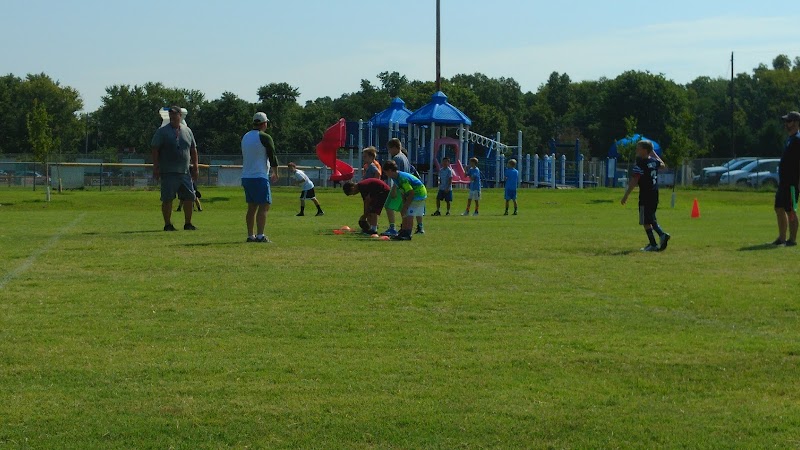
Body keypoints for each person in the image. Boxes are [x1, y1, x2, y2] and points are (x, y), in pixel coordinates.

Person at [151, 105, 199, 231]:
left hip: (185, 171)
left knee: (189, 198)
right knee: (168, 198)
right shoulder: (162, 131)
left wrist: (196, 166)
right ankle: (168, 224)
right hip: (168, 171)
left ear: (180, 116)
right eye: (170, 115)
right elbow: (155, 149)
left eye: (174, 114)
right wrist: (156, 167)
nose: (172, 117)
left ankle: (188, 223)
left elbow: (193, 149)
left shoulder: (187, 131)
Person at [621, 140, 671, 252]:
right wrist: (653, 152)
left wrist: (626, 195)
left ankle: (661, 235)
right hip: (654, 193)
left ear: (644, 150)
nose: (636, 150)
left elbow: (634, 181)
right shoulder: (653, 162)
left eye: (638, 148)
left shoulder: (640, 164)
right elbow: (662, 165)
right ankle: (653, 243)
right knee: (649, 218)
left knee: (646, 219)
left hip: (645, 195)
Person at [241, 112, 278, 243]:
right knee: (264, 205)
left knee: (251, 207)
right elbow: (272, 156)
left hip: (246, 176)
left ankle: (251, 235)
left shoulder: (245, 136)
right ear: (264, 123)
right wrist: (275, 172)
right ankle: (261, 235)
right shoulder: (265, 137)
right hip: (259, 176)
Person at [382, 160, 427, 241]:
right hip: (412, 194)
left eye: (386, 172)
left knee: (409, 213)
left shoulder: (402, 179)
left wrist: (406, 206)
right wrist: (403, 204)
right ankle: (404, 231)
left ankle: (408, 234)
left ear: (390, 171)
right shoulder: (395, 177)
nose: (385, 174)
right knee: (405, 213)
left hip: (418, 194)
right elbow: (403, 191)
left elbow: (411, 192)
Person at [773, 111, 800, 246]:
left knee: (790, 210)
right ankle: (782, 238)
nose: (786, 124)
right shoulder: (790, 139)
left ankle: (792, 240)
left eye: (788, 121)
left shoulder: (798, 140)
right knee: (778, 208)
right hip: (783, 183)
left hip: (792, 183)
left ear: (795, 123)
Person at [381, 138, 412, 236]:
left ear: (394, 147)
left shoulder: (397, 158)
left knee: (388, 205)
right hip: (405, 186)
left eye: (389, 149)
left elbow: (396, 175)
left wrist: (394, 189)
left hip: (399, 186)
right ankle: (404, 228)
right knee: (403, 208)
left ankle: (392, 228)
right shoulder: (404, 157)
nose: (389, 152)